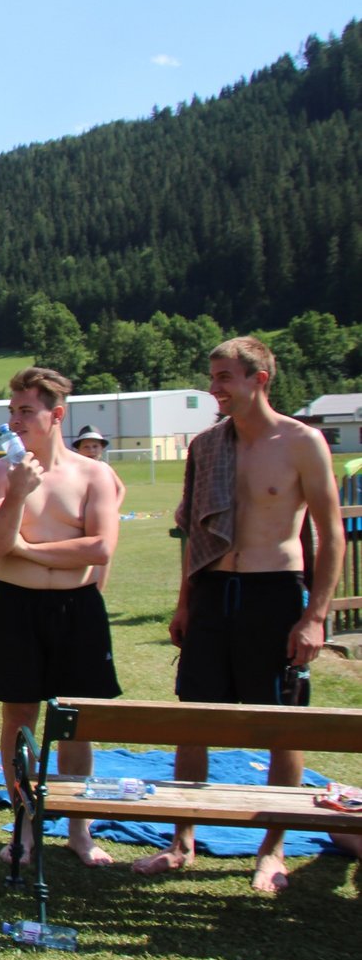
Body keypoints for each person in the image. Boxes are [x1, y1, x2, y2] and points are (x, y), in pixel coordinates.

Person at [132, 336, 342, 893]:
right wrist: (185, 601)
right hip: (212, 590)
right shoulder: (207, 446)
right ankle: (182, 841)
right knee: (194, 718)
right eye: (213, 377)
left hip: (275, 594)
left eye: (224, 377)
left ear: (259, 379)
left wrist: (315, 616)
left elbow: (331, 533)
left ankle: (272, 849)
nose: (214, 388)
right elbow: (196, 534)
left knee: (282, 725)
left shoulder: (302, 442)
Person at [0, 367, 121, 868]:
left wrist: (29, 550)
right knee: (18, 718)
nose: (15, 421)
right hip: (16, 607)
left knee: (77, 722)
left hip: (78, 610)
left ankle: (80, 830)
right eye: (12, 411)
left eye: (26, 411)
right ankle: (24, 826)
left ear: (56, 415)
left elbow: (99, 547)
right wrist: (17, 493)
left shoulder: (93, 474)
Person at [70, 425, 127, 592]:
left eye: (95, 446)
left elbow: (121, 488)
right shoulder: (74, 469)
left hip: (101, 522)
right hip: (80, 521)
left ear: (101, 449)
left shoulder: (104, 468)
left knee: (102, 556)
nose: (91, 450)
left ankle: (98, 593)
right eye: (86, 447)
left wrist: (112, 510)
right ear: (78, 449)